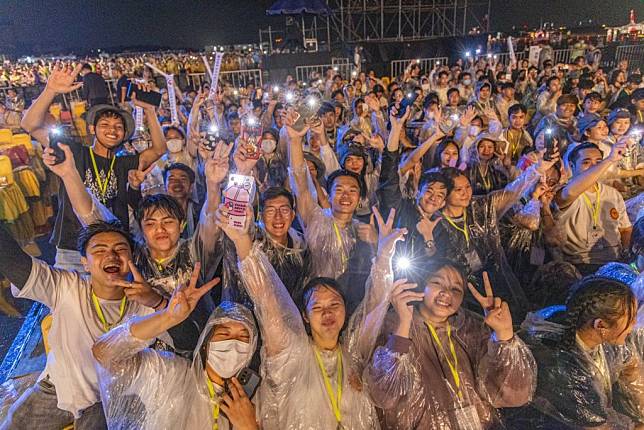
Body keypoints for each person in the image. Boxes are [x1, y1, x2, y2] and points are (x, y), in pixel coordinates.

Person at [219, 203, 405, 429]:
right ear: (305, 317)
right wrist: (242, 241)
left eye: (334, 304)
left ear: (345, 311)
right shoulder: (290, 354)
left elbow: (374, 305)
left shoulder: (354, 353)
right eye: (317, 307)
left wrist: (384, 256)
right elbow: (267, 299)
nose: (327, 312)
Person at [0, 222, 159, 430]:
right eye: (99, 250)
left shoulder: (147, 300)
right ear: (85, 262)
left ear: (132, 259)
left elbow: (185, 338)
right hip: (57, 389)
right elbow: (16, 266)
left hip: (111, 398)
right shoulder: (66, 286)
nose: (111, 256)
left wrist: (157, 301)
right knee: (13, 424)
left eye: (120, 249)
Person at [21, 64, 167, 272]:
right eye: (105, 125)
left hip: (114, 248)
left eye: (118, 127)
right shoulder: (74, 153)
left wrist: (150, 111)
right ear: (92, 128)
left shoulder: (124, 163)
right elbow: (30, 125)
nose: (112, 131)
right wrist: (50, 90)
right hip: (73, 249)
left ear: (124, 134)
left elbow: (159, 149)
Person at [365, 262, 536, 429]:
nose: (446, 293)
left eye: (456, 289)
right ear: (422, 285)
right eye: (437, 282)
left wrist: (504, 334)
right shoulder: (392, 324)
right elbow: (384, 395)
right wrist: (403, 323)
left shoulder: (473, 328)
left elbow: (515, 396)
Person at [91, 272, 260, 430]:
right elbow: (105, 354)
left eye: (244, 338)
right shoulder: (172, 374)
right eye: (224, 334)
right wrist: (169, 317)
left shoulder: (255, 398)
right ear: (205, 343)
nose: (233, 344)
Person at [432, 149, 560, 318]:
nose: (466, 193)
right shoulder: (435, 222)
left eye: (468, 187)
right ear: (445, 193)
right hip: (462, 291)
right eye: (458, 190)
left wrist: (538, 169)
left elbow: (512, 191)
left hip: (498, 279)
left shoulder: (480, 207)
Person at [517, 276, 643, 429]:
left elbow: (630, 363)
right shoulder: (566, 370)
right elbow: (598, 426)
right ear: (600, 325)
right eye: (630, 319)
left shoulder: (590, 329)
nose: (635, 323)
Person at [555, 142, 632, 274]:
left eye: (598, 161)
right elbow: (570, 193)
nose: (594, 167)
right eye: (586, 162)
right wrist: (609, 160)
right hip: (580, 264)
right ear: (572, 167)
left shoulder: (612, 193)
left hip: (614, 261)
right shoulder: (564, 192)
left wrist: (626, 254)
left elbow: (625, 229)